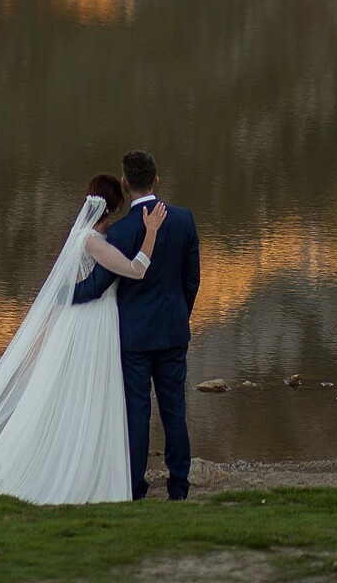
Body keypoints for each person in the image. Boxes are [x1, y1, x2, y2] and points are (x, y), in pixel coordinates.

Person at [0, 173, 166, 504]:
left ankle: (84, 465)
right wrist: (150, 233)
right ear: (116, 206)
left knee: (82, 391)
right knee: (87, 390)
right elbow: (136, 270)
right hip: (92, 323)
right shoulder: (91, 241)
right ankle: (77, 470)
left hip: (89, 319)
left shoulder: (86, 237)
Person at [72, 149, 200, 501]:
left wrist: (60, 296)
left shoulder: (121, 231)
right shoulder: (184, 220)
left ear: (125, 184)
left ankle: (135, 488)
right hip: (173, 330)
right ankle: (179, 488)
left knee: (137, 413)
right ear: (156, 179)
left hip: (134, 335)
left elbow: (97, 286)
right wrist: (179, 316)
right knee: (175, 410)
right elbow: (192, 281)